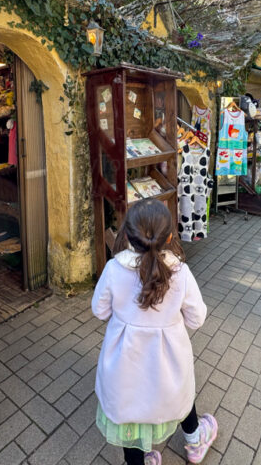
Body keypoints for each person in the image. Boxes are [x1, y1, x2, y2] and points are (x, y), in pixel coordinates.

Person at [92, 199, 217, 465]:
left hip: (124, 365)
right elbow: (196, 318)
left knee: (130, 415)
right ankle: (195, 442)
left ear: (126, 235)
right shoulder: (180, 272)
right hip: (168, 362)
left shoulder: (114, 269)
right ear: (170, 237)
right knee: (180, 393)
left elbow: (99, 311)